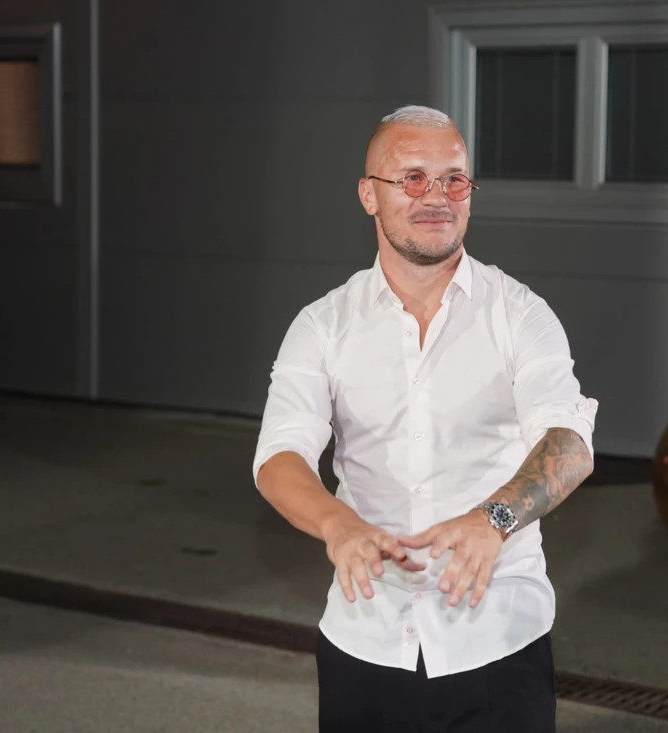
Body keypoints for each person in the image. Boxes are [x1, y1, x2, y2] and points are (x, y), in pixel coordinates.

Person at [252, 104, 598, 733]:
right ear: (368, 195)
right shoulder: (323, 325)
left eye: (454, 179)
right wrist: (338, 526)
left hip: (497, 639)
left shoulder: (520, 314)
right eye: (412, 178)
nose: (436, 196)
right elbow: (280, 456)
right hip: (366, 636)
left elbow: (569, 443)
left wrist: (494, 519)